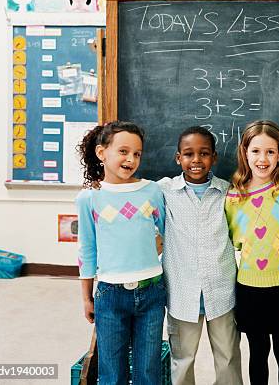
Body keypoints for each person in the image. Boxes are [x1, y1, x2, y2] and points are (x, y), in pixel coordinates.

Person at [76, 121, 166, 384]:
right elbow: (87, 249)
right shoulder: (89, 198)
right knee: (112, 372)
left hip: (152, 291)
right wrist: (86, 297)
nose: (131, 159)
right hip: (110, 295)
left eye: (137, 154)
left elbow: (166, 233)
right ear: (102, 153)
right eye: (124, 151)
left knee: (148, 371)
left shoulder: (152, 191)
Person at [158, 126, 242, 385]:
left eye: (204, 153)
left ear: (214, 157)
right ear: (178, 158)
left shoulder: (228, 192)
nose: (196, 160)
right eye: (188, 154)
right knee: (182, 360)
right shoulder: (163, 191)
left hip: (221, 291)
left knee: (227, 357)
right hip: (182, 292)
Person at [225, 120, 279, 385]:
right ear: (245, 152)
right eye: (256, 151)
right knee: (257, 353)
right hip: (249, 287)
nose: (263, 158)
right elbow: (234, 240)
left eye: (270, 151)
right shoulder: (233, 196)